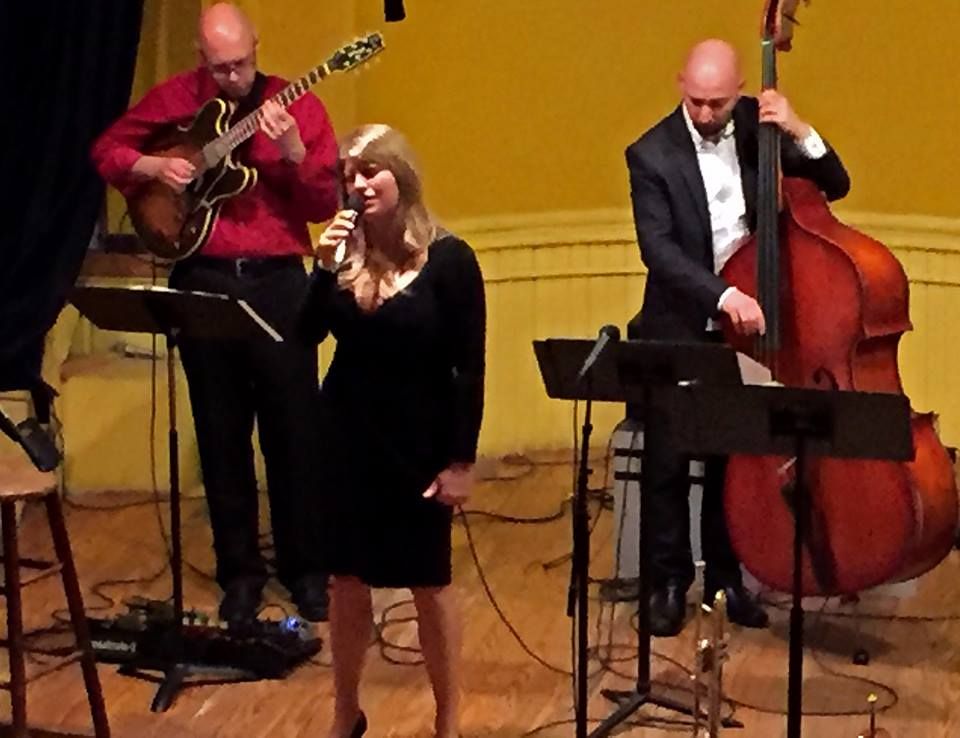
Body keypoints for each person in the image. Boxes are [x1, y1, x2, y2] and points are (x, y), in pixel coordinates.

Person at [91, 2, 339, 623]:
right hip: (202, 277)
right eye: (221, 67)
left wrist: (292, 151)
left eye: (242, 64)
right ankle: (240, 574)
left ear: (256, 47)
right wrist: (155, 166)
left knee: (295, 432)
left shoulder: (296, 103)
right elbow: (106, 151)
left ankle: (307, 570)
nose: (232, 76)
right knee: (220, 432)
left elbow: (321, 204)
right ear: (202, 58)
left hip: (277, 281)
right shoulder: (178, 98)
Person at [624, 39, 850, 636]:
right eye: (696, 101)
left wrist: (800, 129)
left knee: (735, 460)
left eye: (717, 103)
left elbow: (837, 183)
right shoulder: (649, 154)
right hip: (682, 322)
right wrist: (725, 296)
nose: (705, 114)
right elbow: (659, 252)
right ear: (681, 83)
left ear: (740, 90)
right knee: (669, 460)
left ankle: (727, 581)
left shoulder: (761, 128)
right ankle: (667, 584)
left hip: (751, 330)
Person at [298, 124, 485, 738]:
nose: (359, 184)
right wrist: (322, 270)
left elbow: (469, 366)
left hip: (419, 440)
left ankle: (447, 721)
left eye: (371, 170)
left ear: (401, 175)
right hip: (346, 436)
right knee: (346, 580)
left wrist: (460, 461)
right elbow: (303, 337)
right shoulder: (343, 257)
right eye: (348, 174)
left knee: (429, 581)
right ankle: (345, 712)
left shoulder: (450, 259)